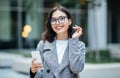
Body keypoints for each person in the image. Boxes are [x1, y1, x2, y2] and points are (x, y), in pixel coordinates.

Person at [30, 5, 86, 78]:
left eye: (62, 18)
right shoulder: (42, 45)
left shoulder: (79, 45)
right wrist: (33, 71)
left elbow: (76, 69)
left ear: (69, 21)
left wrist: (73, 41)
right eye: (53, 20)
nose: (57, 22)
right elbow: (38, 73)